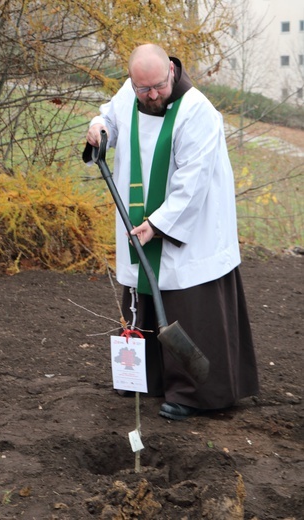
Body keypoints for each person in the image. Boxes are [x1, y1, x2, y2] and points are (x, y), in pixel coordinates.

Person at [83, 43, 259, 420]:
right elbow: (110, 118)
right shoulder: (132, 93)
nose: (150, 96)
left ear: (172, 73)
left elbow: (191, 183)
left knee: (188, 301)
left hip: (187, 229)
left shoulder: (198, 113)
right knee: (145, 294)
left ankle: (197, 392)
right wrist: (100, 128)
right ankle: (149, 378)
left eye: (157, 87)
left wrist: (158, 225)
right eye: (142, 89)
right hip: (138, 221)